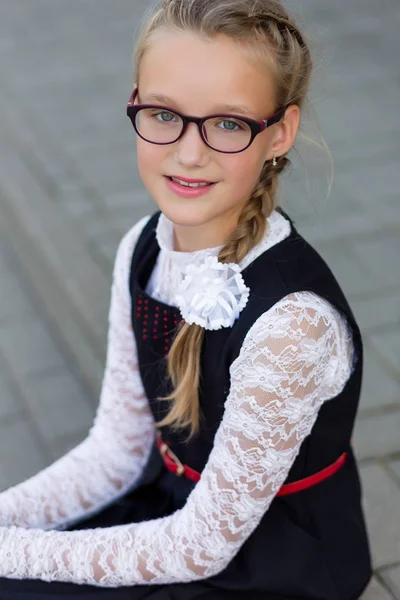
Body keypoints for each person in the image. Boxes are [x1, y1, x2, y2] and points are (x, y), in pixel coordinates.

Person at [0, 0, 372, 598]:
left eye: (228, 123)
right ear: (136, 103)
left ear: (279, 133)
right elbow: (117, 453)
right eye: (164, 114)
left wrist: (14, 552)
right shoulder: (142, 246)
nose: (189, 152)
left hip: (269, 565)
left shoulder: (292, 327)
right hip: (172, 506)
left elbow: (201, 545)